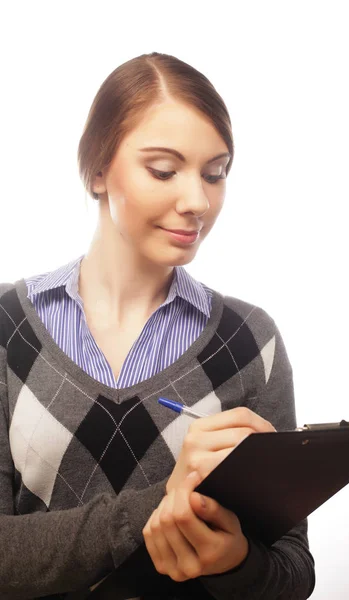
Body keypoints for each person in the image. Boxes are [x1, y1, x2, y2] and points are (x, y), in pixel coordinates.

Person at [0, 52, 315, 599]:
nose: (197, 201)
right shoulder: (7, 327)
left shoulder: (250, 342)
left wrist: (237, 560)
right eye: (164, 170)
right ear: (97, 170)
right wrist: (166, 501)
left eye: (215, 174)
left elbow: (293, 575)